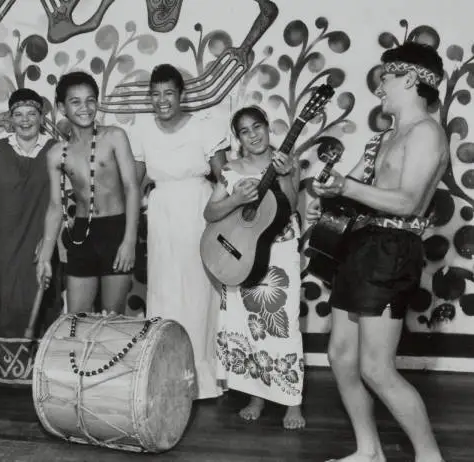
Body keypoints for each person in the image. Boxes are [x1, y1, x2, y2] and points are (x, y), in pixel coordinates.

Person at [309, 42, 446, 461]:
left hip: (392, 249)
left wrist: (346, 188)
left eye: (385, 78)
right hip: (361, 246)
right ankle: (368, 451)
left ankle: (430, 457)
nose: (379, 87)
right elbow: (353, 192)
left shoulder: (426, 132)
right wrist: (327, 196)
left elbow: (406, 201)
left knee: (375, 367)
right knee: (341, 355)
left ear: (410, 78)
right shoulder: (384, 137)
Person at [130, 64, 228, 400]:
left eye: (168, 93)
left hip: (199, 210)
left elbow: (225, 178)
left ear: (181, 95)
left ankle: (202, 377)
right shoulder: (142, 130)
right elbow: (136, 181)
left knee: (199, 292)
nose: (162, 100)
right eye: (155, 94)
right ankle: (166, 373)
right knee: (164, 290)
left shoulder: (204, 127)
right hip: (161, 215)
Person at [204, 105, 305, 428]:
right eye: (245, 131)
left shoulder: (286, 162)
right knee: (245, 323)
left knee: (283, 323)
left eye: (257, 127)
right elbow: (210, 213)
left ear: (267, 128)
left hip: (280, 250)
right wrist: (234, 200)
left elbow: (289, 206)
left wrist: (288, 174)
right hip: (242, 254)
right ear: (239, 139)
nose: (253, 135)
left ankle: (292, 401)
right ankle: (256, 395)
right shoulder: (231, 170)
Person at [0, 88, 62, 387]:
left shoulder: (55, 149)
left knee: (38, 297)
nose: (25, 120)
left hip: (38, 239)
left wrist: (49, 241)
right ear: (10, 119)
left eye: (32, 114)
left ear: (41, 117)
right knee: (1, 298)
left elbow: (59, 202)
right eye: (18, 114)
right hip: (1, 238)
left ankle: (38, 372)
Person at [36, 71, 140, 315]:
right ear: (62, 107)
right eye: (76, 102)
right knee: (77, 318)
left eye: (90, 100)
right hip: (81, 234)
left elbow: (132, 187)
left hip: (116, 231)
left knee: (112, 318)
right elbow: (54, 207)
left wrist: (129, 241)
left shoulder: (114, 137)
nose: (85, 107)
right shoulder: (56, 154)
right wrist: (45, 256)